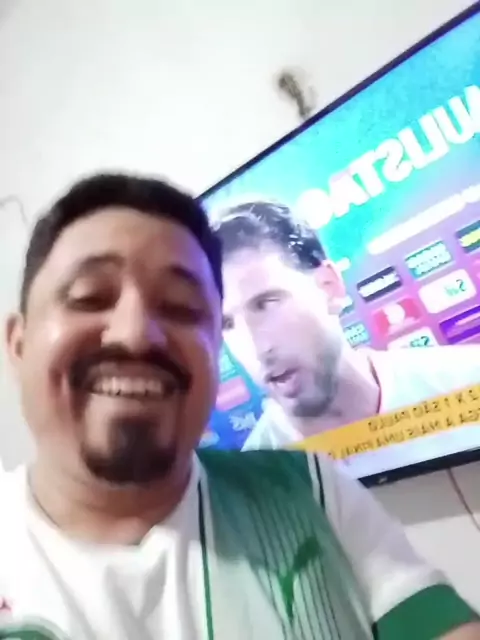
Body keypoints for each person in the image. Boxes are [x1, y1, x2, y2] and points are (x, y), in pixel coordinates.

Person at [0, 173, 478, 640]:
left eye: (182, 307)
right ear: (19, 345)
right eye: (89, 297)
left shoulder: (311, 491)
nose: (136, 332)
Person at [214, 199, 480, 474]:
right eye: (227, 324)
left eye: (267, 304)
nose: (257, 348)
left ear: (329, 287)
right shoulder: (251, 485)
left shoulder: (468, 379)